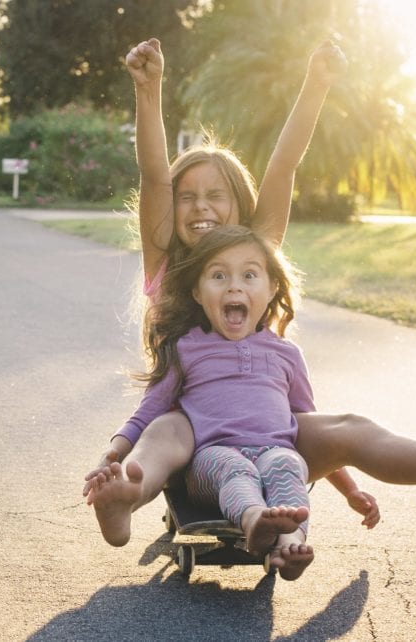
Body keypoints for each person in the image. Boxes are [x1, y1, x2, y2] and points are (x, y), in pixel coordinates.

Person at [84, 37, 416, 553]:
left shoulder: (251, 256)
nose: (200, 206)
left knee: (350, 427)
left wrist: (316, 84)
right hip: (193, 444)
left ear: (240, 209)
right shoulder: (166, 263)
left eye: (215, 195)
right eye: (188, 197)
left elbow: (282, 168)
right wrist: (149, 90)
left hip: (270, 438)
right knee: (165, 431)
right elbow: (155, 175)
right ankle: (127, 496)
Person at [116, 225, 322, 579]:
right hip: (210, 459)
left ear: (272, 287)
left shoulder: (287, 354)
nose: (234, 285)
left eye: (249, 275)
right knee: (232, 467)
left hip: (272, 450)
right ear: (197, 292)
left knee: (287, 463)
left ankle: (289, 543)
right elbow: (149, 411)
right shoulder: (187, 348)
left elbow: (313, 424)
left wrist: (351, 490)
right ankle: (255, 519)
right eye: (219, 275)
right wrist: (115, 454)